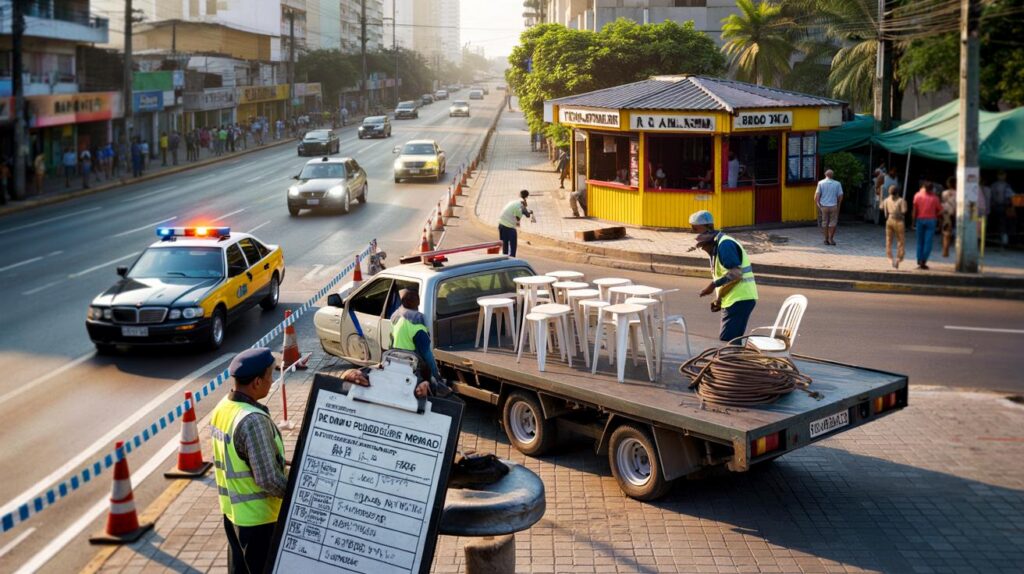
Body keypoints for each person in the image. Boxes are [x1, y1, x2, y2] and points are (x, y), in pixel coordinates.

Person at [689, 210, 758, 343]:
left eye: (696, 228)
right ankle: (735, 355)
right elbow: (726, 277)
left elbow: (736, 274)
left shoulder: (725, 245)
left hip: (740, 298)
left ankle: (736, 356)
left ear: (708, 227)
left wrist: (712, 285)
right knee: (731, 339)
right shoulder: (717, 246)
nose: (703, 249)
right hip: (734, 299)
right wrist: (719, 299)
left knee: (729, 339)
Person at [390, 289, 443, 384]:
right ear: (418, 303)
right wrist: (436, 375)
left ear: (402, 303)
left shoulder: (396, 319)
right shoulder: (418, 328)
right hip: (412, 366)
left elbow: (391, 342)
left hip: (396, 362)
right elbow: (427, 356)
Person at [912, 182, 942, 270]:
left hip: (920, 220)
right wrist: (939, 221)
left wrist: (913, 222)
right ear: (932, 189)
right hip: (931, 221)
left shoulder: (917, 196)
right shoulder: (935, 198)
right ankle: (923, 260)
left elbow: (914, 210)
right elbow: (940, 211)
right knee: (928, 242)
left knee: (920, 242)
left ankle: (919, 259)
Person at [498, 189, 534, 257]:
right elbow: (524, 216)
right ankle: (512, 258)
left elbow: (524, 212)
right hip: (508, 227)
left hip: (501, 224)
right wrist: (529, 212)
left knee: (505, 244)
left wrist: (526, 211)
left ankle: (504, 257)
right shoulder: (521, 207)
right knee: (513, 246)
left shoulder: (514, 202)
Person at [814, 169, 843, 245]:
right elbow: (840, 196)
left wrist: (818, 205)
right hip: (833, 206)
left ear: (825, 174)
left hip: (824, 206)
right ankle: (831, 239)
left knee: (824, 223)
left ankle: (826, 239)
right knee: (833, 222)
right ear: (832, 175)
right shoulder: (837, 183)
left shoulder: (820, 183)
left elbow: (817, 196)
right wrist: (838, 205)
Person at [882, 184, 907, 269]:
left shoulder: (886, 200)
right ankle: (898, 259)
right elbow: (904, 211)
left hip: (889, 220)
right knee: (900, 241)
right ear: (898, 192)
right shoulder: (901, 200)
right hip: (899, 221)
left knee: (888, 240)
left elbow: (884, 212)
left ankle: (890, 259)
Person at [989, 170, 1015, 247]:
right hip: (996, 206)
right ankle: (1000, 238)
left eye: (1003, 175)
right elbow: (991, 196)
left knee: (1005, 222)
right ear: (997, 176)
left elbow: (1012, 196)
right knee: (998, 222)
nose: (1002, 176)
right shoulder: (994, 185)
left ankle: (1005, 239)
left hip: (1005, 206)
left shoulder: (1007, 185)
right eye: (1000, 175)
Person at [941, 176, 957, 258]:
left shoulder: (944, 193)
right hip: (954, 214)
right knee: (952, 233)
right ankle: (948, 251)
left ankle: (945, 251)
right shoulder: (958, 193)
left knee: (945, 233)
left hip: (945, 214)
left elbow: (943, 203)